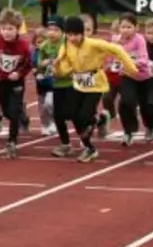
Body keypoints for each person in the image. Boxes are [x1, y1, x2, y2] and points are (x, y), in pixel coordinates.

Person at [52, 14, 138, 163]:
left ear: (82, 33)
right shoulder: (66, 44)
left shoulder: (94, 44)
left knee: (83, 117)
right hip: (79, 83)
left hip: (95, 85)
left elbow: (117, 49)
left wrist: (131, 68)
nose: (72, 38)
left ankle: (92, 138)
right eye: (69, 35)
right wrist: (58, 68)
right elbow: (63, 63)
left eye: (76, 35)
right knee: (71, 114)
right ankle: (97, 128)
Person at [0, 9, 33, 158]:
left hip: (16, 83)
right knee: (6, 112)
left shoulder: (23, 46)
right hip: (0, 83)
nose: (7, 32)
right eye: (4, 28)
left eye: (10, 29)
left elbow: (28, 64)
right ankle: (22, 115)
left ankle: (12, 142)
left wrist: (19, 74)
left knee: (13, 112)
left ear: (17, 29)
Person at [111, 13, 153, 146]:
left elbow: (143, 59)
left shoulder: (139, 39)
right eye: (123, 27)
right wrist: (112, 63)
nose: (125, 30)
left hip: (144, 77)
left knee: (147, 105)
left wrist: (130, 62)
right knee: (126, 102)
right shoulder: (115, 40)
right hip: (128, 76)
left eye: (129, 27)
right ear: (119, 28)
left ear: (136, 27)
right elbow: (111, 57)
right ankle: (128, 131)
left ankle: (151, 126)